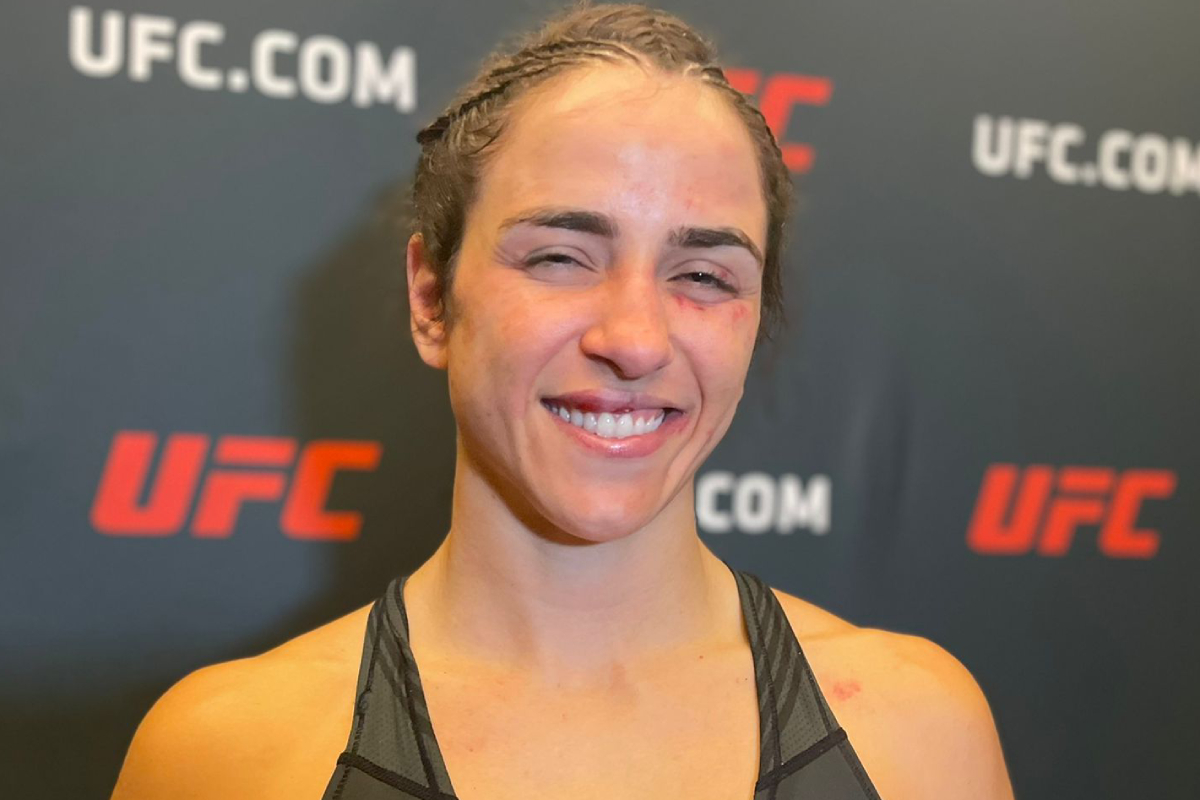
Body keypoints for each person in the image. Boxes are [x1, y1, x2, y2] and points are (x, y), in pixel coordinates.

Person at [110, 3, 1015, 799]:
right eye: (559, 257)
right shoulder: (223, 756)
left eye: (703, 275)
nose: (636, 339)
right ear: (431, 300)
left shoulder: (920, 731)